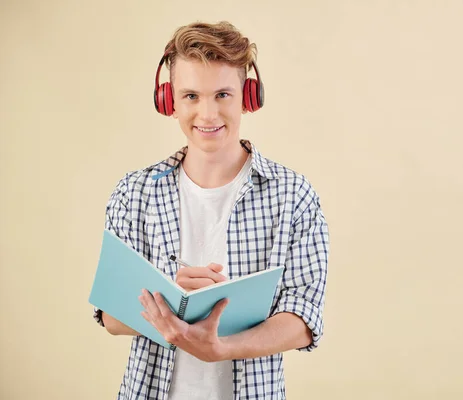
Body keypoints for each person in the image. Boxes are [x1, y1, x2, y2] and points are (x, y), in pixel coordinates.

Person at [91, 20, 329, 400]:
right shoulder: (134, 193)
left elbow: (304, 320)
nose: (207, 114)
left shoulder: (293, 195)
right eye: (191, 96)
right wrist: (171, 300)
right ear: (168, 101)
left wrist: (223, 345)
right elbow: (111, 318)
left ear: (247, 98)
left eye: (222, 94)